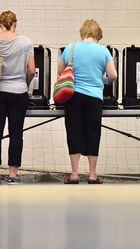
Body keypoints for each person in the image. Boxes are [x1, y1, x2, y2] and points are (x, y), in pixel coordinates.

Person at [57, 19, 117, 184]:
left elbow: (60, 72)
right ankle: (92, 174)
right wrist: (101, 78)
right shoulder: (103, 51)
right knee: (93, 133)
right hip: (94, 98)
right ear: (97, 35)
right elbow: (113, 75)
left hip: (73, 96)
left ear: (82, 33)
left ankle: (75, 174)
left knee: (74, 132)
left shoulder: (70, 48)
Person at [0, 10, 35, 185]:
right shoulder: (26, 42)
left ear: (0, 24)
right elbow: (31, 70)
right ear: (15, 23)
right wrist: (25, 83)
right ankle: (13, 175)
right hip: (18, 93)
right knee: (16, 134)